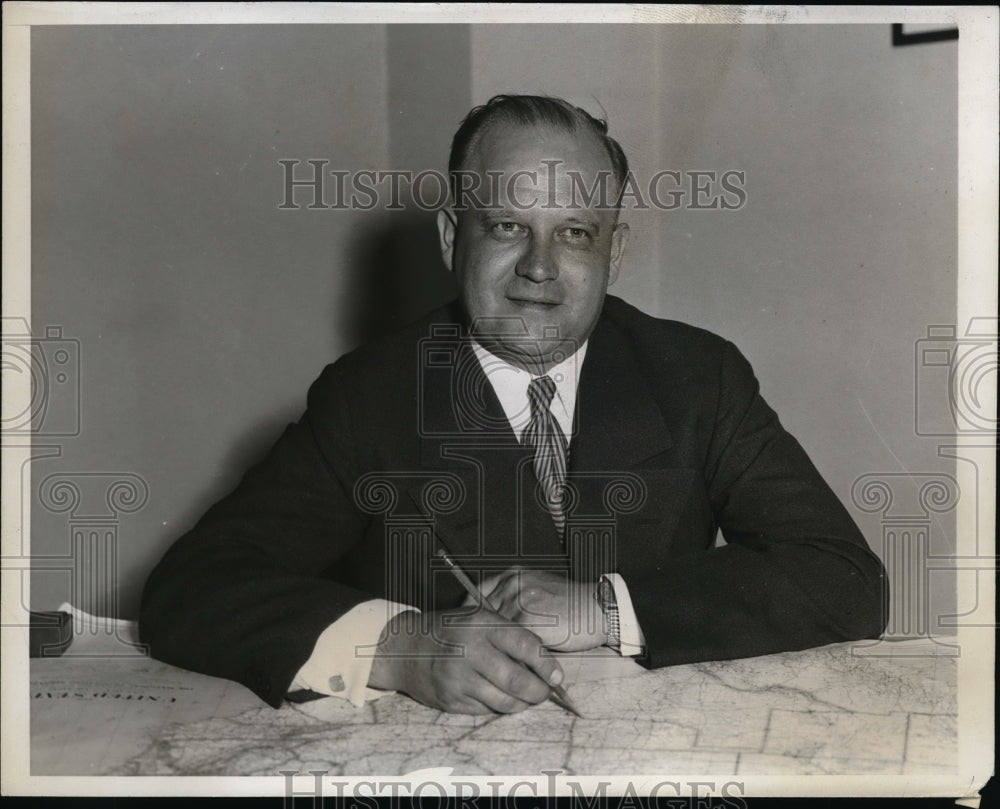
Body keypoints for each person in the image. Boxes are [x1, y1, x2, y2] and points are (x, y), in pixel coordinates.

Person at [140, 94, 888, 715]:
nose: (539, 267)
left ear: (613, 254)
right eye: (507, 227)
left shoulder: (698, 375)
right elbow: (192, 588)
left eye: (574, 234)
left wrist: (606, 605)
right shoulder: (370, 395)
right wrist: (401, 645)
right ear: (450, 238)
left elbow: (845, 578)